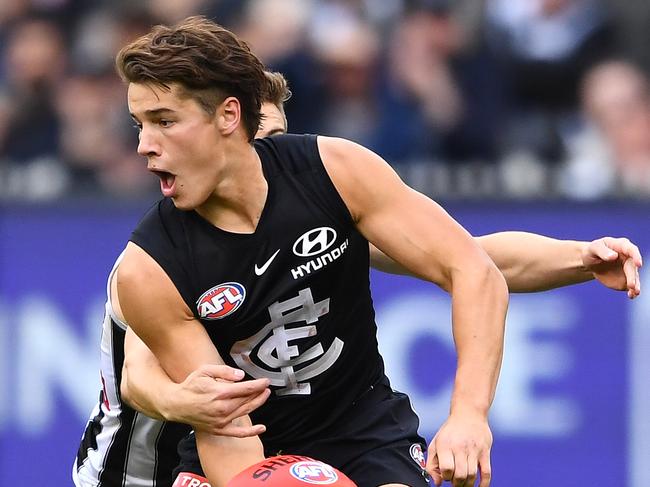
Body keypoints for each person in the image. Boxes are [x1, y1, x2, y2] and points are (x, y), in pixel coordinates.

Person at [110, 16, 642, 487]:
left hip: (361, 431)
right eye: (141, 124)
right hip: (220, 455)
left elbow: (471, 264)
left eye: (163, 121)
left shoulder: (335, 173)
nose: (143, 146)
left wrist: (467, 415)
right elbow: (173, 393)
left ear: (230, 118)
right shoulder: (149, 266)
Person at [72, 71, 292, 487]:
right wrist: (182, 402)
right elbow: (136, 377)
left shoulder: (297, 229)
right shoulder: (160, 257)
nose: (264, 153)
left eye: (275, 137)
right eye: (254, 138)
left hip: (234, 465)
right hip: (136, 477)